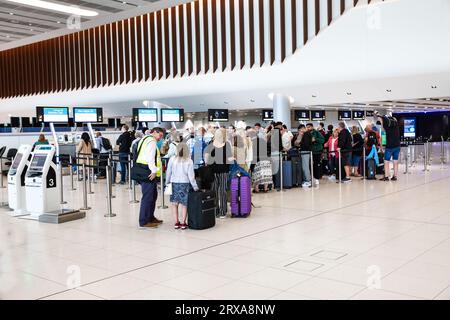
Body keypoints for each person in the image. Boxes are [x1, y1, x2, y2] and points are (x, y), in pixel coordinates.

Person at [135, 127, 165, 228]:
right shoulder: (151, 142)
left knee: (153, 196)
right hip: (148, 171)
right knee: (148, 197)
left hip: (143, 169)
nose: (160, 138)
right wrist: (153, 171)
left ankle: (150, 217)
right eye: (160, 135)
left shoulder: (144, 139)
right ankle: (144, 221)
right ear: (154, 132)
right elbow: (150, 157)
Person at [165, 142, 199, 230]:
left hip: (174, 183)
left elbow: (168, 172)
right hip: (185, 184)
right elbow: (191, 176)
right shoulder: (189, 160)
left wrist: (167, 182)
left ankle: (176, 222)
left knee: (174, 204)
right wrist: (195, 187)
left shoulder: (172, 159)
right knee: (184, 204)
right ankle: (184, 223)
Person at [205, 128, 233, 218]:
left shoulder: (225, 144)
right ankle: (218, 211)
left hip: (221, 170)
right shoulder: (212, 143)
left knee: (221, 191)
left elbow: (229, 157)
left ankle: (220, 211)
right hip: (216, 171)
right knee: (217, 191)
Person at [375, 111, 401, 181]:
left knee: (386, 162)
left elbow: (381, 121)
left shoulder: (387, 127)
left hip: (389, 147)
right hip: (397, 146)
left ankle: (386, 177)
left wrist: (378, 114)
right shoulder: (396, 126)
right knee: (395, 162)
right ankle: (395, 176)